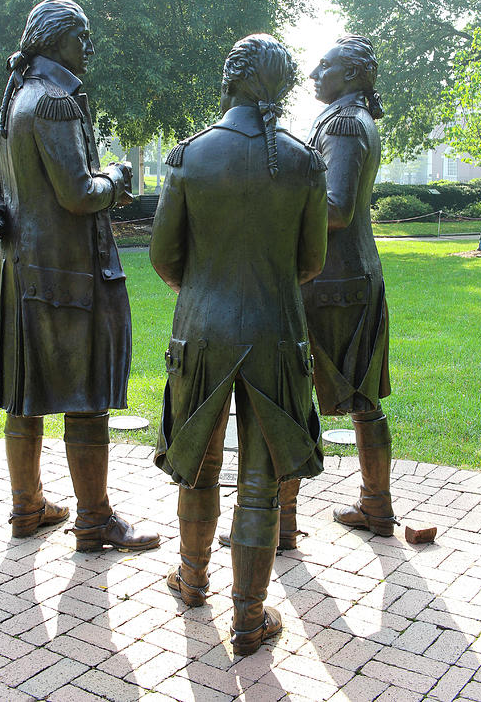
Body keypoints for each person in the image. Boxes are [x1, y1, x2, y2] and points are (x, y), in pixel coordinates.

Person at [150, 34, 328, 655]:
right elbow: (311, 261)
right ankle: (249, 618)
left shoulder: (191, 156)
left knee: (196, 465)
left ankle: (193, 580)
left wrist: (203, 289)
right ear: (279, 87)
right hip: (278, 334)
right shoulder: (304, 160)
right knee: (259, 483)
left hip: (201, 333)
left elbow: (163, 257)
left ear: (229, 79)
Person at [0, 0, 159, 553]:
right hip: (68, 273)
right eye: (82, 35)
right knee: (86, 397)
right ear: (57, 39)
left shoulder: (17, 96)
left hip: (20, 272)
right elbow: (80, 195)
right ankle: (94, 519)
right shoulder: (54, 102)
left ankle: (26, 506)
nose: (89, 45)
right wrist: (118, 176)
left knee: (24, 394)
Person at [300, 34, 398, 536]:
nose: (315, 72)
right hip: (355, 273)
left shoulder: (341, 123)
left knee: (291, 394)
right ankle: (375, 506)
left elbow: (334, 209)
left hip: (331, 281)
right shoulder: (355, 119)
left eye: (327, 65)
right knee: (363, 402)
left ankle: (280, 522)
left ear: (354, 76)